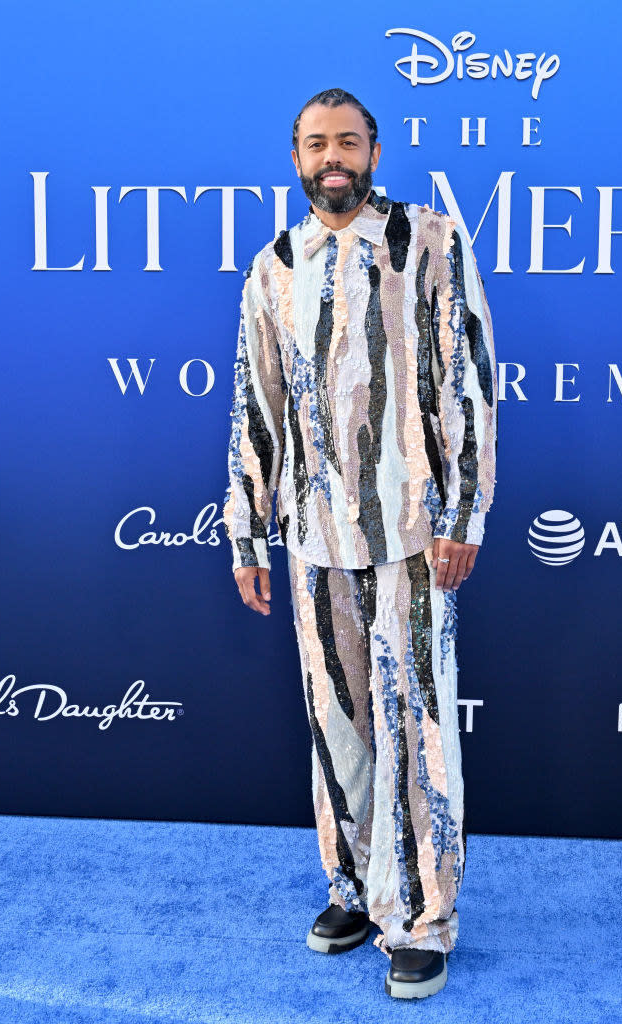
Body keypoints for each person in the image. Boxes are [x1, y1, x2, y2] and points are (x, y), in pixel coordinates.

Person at [222, 87, 497, 999]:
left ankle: (422, 917)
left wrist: (463, 514)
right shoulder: (273, 266)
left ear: (375, 151)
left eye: (347, 141)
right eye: (314, 144)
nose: (330, 157)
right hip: (312, 535)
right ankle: (353, 889)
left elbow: (465, 376)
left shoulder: (428, 241)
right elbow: (256, 402)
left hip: (413, 534)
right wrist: (247, 531)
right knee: (336, 722)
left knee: (415, 727)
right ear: (295, 159)